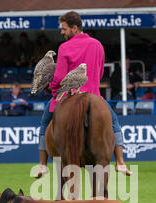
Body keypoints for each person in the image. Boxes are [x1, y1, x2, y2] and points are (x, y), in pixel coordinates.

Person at [35, 11, 132, 178]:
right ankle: (121, 162)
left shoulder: (64, 47)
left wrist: (51, 87)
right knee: (114, 123)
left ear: (74, 28)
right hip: (94, 95)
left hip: (66, 96)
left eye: (64, 29)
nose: (61, 32)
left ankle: (43, 165)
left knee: (44, 122)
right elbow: (100, 72)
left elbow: (58, 77)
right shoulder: (97, 45)